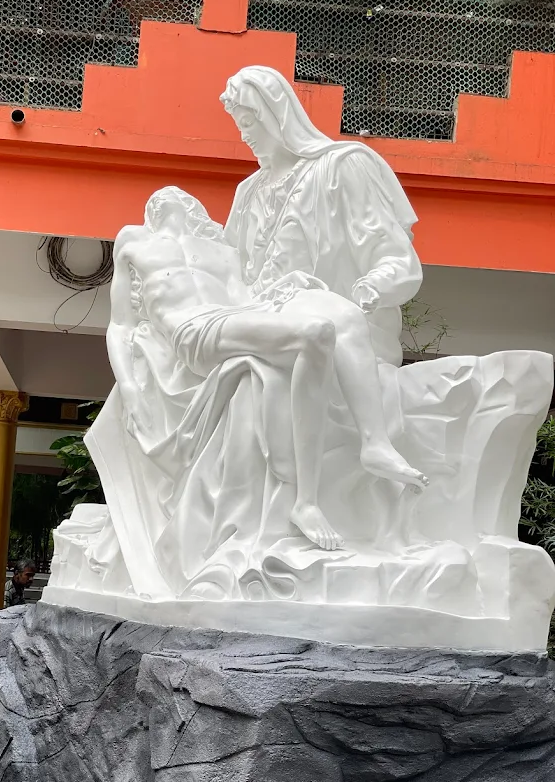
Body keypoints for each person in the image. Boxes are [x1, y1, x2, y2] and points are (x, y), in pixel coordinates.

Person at [109, 187, 426, 549]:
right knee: (315, 333)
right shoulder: (134, 240)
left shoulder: (221, 252)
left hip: (236, 317)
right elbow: (120, 324)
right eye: (162, 198)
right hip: (195, 331)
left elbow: (242, 300)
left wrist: (284, 287)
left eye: (180, 197)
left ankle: (374, 443)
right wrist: (130, 388)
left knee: (341, 317)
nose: (170, 197)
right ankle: (305, 503)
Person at [220, 66, 423, 368]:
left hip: (333, 335)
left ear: (275, 116)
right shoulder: (248, 193)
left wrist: (374, 286)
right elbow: (228, 266)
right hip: (259, 333)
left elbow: (391, 252)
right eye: (239, 125)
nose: (243, 135)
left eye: (248, 123)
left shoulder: (340, 168)